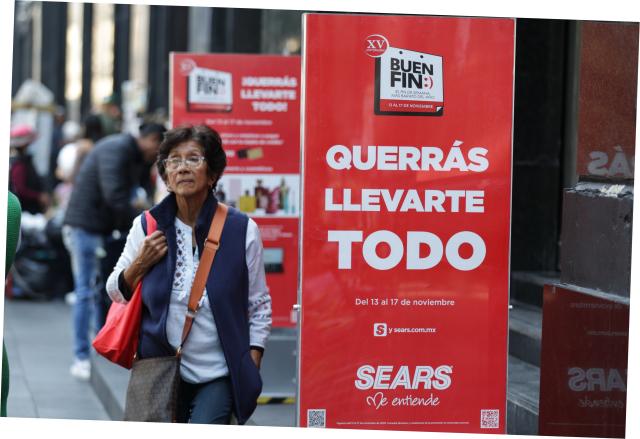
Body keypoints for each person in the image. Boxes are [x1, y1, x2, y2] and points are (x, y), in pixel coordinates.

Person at [106, 124, 271, 424]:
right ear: (166, 175)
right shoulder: (147, 227)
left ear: (212, 174)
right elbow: (114, 291)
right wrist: (141, 263)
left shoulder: (242, 230)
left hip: (219, 373)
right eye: (174, 160)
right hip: (159, 368)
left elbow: (259, 304)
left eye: (193, 158)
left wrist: (251, 361)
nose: (182, 167)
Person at [63, 122, 167, 380]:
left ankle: (100, 346)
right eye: (160, 148)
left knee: (99, 290)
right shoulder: (117, 150)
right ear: (151, 139)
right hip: (85, 228)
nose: (158, 156)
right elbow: (115, 197)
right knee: (86, 291)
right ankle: (81, 357)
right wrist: (147, 220)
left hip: (102, 228)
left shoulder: (134, 155)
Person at [9, 124, 50, 214]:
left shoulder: (24, 161)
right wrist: (39, 196)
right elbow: (20, 189)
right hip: (26, 211)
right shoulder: (19, 163)